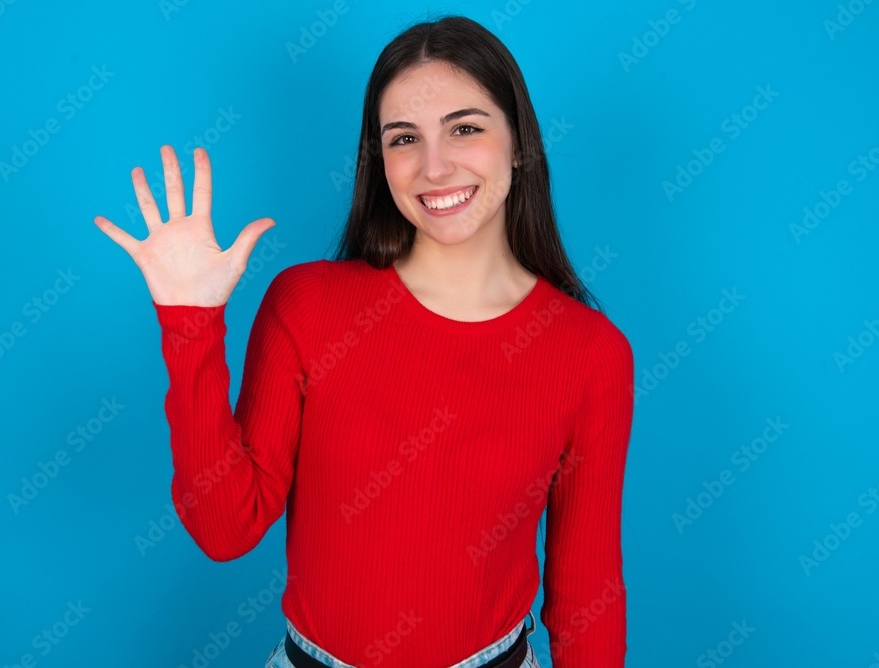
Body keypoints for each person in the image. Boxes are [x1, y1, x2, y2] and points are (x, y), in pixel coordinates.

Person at [94, 14, 633, 668]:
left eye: (465, 128)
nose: (435, 167)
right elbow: (225, 527)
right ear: (380, 161)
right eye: (404, 138)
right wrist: (190, 320)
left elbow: (585, 594)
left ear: (518, 142)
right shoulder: (308, 305)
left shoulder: (589, 352)